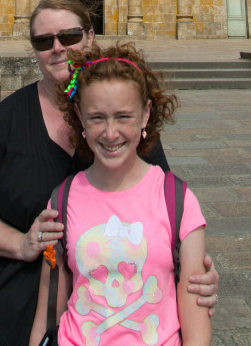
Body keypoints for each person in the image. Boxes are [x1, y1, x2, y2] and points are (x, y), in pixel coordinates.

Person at [0, 0, 218, 346]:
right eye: (44, 40)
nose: (57, 48)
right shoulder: (9, 117)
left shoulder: (121, 126)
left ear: (90, 37)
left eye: (70, 36)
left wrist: (191, 266)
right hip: (13, 309)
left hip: (114, 314)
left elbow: (164, 214)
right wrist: (22, 243)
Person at [29, 42, 210, 346]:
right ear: (80, 117)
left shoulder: (177, 200)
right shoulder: (62, 200)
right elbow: (48, 310)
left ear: (145, 115)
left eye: (123, 116)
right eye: (97, 117)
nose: (110, 133)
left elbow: (196, 311)